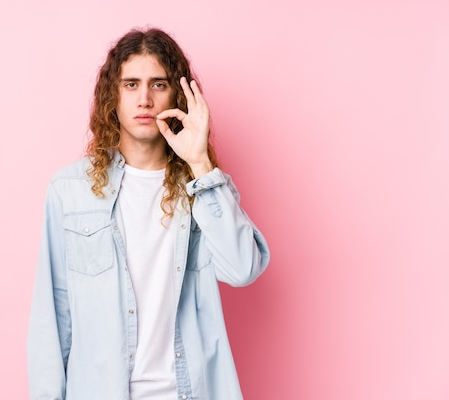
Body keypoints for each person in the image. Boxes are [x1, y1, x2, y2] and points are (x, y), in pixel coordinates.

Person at [27, 27, 270, 400]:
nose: (144, 99)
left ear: (177, 95)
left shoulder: (204, 187)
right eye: (130, 85)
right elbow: (52, 319)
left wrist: (200, 163)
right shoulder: (69, 191)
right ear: (113, 95)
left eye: (158, 84)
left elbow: (242, 270)